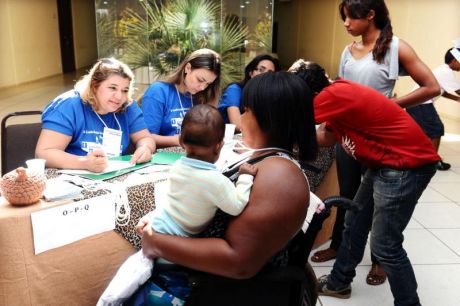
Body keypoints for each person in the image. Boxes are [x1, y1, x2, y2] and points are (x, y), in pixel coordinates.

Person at [128, 72, 318, 304]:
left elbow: (238, 262)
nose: (242, 118)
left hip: (216, 290)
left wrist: (156, 242)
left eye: (246, 111)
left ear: (269, 119)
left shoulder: (280, 176)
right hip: (205, 278)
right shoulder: (266, 160)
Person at [310, 0, 440, 287]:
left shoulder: (396, 47)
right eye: (343, 17)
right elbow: (340, 95)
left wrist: (391, 105)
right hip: (351, 138)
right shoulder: (348, 51)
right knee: (351, 199)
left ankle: (380, 260)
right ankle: (340, 250)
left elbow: (432, 87)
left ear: (370, 15)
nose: (345, 24)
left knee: (383, 211)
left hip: (386, 140)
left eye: (349, 17)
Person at [291, 60, 440, 306]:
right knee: (355, 223)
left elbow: (291, 121)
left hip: (404, 166)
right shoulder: (336, 96)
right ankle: (339, 283)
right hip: (385, 165)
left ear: (311, 94)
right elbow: (326, 138)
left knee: (385, 245)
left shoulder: (333, 94)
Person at [98, 104, 257, 305]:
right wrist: (245, 177)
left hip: (159, 228)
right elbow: (236, 206)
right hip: (173, 246)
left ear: (181, 141)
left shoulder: (177, 167)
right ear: (219, 145)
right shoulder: (215, 181)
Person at [36, 58, 155, 172]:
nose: (119, 96)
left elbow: (145, 138)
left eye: (124, 90)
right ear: (94, 86)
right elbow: (44, 153)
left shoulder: (128, 106)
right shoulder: (69, 105)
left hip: (113, 177)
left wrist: (145, 148)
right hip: (71, 179)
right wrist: (84, 163)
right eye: (112, 88)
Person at [141, 48, 221, 148]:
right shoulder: (159, 92)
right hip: (164, 157)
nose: (202, 87)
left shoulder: (203, 95)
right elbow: (145, 137)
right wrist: (180, 140)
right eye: (200, 80)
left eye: (208, 84)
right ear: (188, 68)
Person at [407, 46, 460, 171]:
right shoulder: (446, 72)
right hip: (421, 103)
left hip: (416, 102)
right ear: (454, 61)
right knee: (437, 129)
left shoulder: (443, 70)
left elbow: (442, 91)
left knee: (425, 132)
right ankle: (433, 161)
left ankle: (422, 158)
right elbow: (458, 90)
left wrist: (457, 99)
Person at [218, 54, 281, 131]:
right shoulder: (235, 90)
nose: (265, 75)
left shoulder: (269, 95)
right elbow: (237, 125)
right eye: (261, 70)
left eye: (270, 73)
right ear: (251, 73)